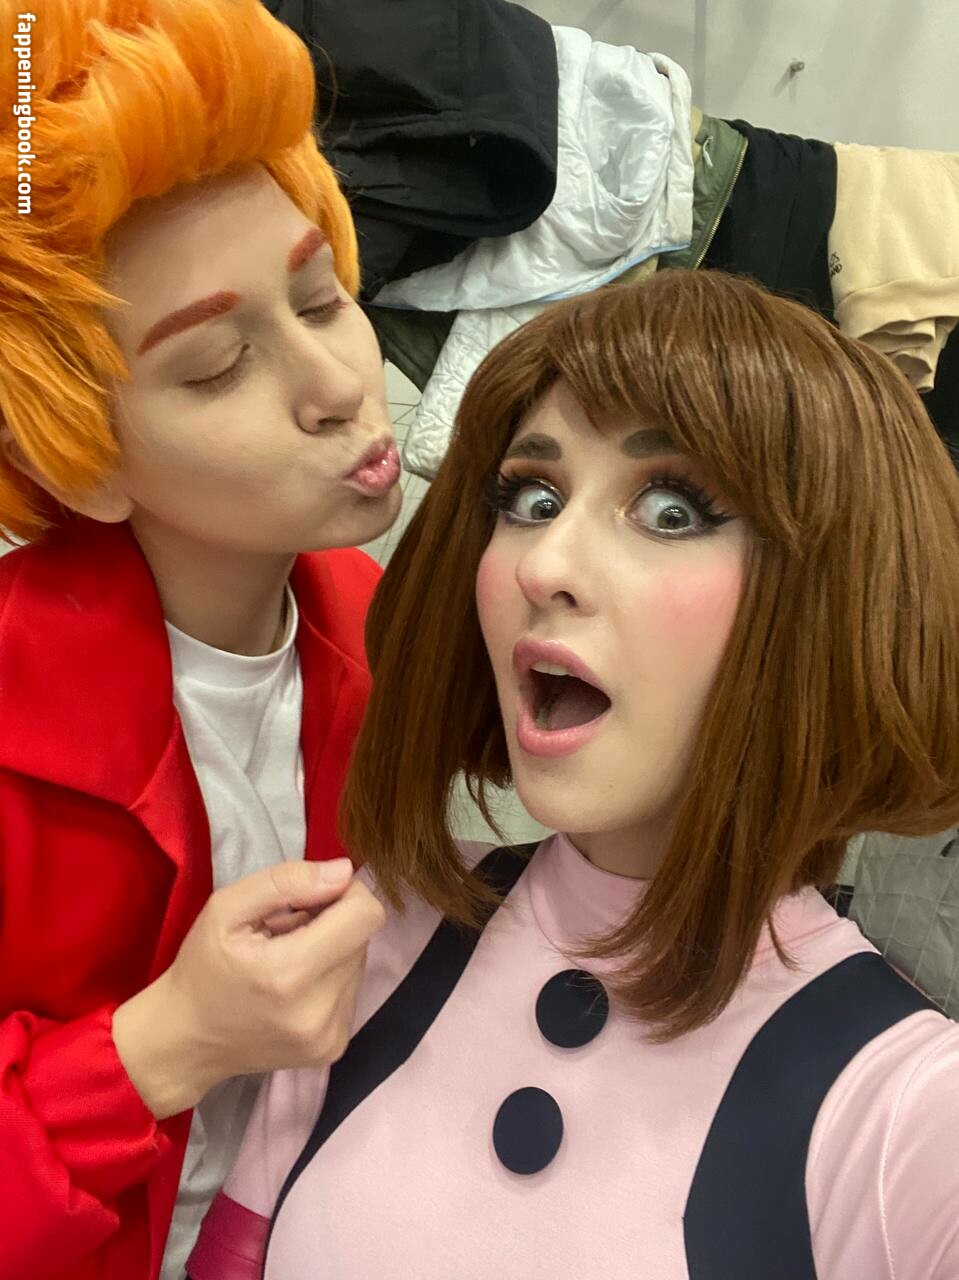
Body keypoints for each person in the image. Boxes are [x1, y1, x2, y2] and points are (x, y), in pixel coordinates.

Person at [190, 269, 959, 1279]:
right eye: (532, 497)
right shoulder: (380, 929)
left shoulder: (909, 1117)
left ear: (836, 594)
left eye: (671, 511)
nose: (543, 562)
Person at [0, 2, 398, 1277]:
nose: (336, 384)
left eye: (322, 297)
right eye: (219, 364)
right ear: (80, 458)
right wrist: (164, 1043)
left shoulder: (376, 624)